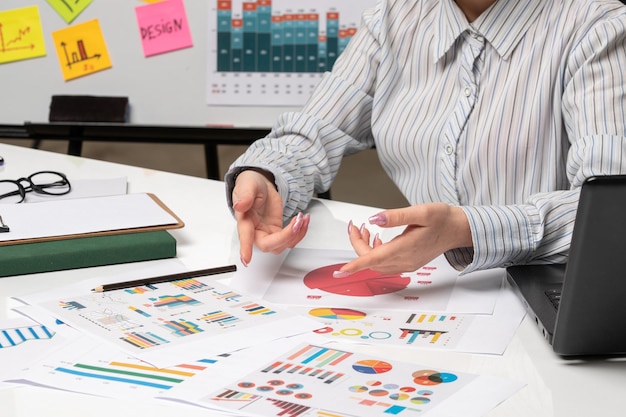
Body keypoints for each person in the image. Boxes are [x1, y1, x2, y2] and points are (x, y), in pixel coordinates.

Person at [225, 0, 626, 277]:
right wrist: (267, 177)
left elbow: (610, 211)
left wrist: (466, 229)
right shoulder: (395, 16)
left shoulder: (596, 26)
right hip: (434, 290)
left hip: (551, 292)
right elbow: (313, 131)